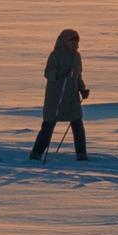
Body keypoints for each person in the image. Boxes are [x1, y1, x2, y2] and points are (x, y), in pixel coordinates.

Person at [30, 28, 90, 163]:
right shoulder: (55, 55)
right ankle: (36, 154)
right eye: (73, 42)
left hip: (71, 98)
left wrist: (82, 89)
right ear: (65, 42)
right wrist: (61, 74)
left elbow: (78, 76)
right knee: (48, 127)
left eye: (77, 42)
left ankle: (82, 155)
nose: (76, 45)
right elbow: (48, 73)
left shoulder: (77, 56)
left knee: (78, 126)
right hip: (56, 98)